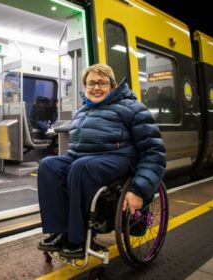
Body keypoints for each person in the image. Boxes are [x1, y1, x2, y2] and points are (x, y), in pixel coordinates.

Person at [37, 64, 166, 259]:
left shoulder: (133, 108)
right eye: (91, 83)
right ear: (85, 87)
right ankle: (59, 233)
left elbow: (153, 150)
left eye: (102, 83)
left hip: (118, 158)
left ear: (112, 85)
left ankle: (78, 240)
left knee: (82, 168)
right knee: (48, 165)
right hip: (82, 159)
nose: (96, 88)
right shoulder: (82, 111)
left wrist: (139, 189)